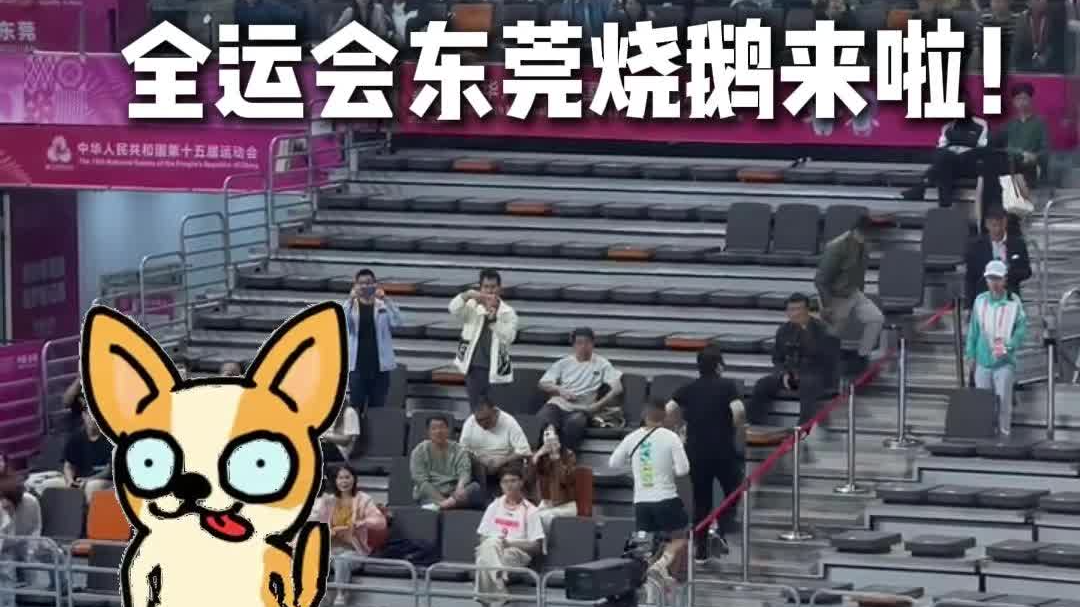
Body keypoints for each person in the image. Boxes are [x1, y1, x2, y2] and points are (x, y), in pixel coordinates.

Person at [663, 346, 740, 564]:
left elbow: (668, 409)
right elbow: (739, 411)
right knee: (734, 491)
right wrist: (734, 429)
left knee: (701, 500)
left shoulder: (688, 388)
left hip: (696, 451)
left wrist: (677, 429)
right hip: (723, 449)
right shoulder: (728, 386)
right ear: (719, 366)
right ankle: (720, 527)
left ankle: (701, 550)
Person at [609, 399, 690, 585]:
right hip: (666, 498)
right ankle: (662, 564)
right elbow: (683, 470)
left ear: (644, 415)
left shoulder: (631, 437)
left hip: (641, 502)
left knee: (647, 547)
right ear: (664, 416)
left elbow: (613, 463)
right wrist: (668, 468)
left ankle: (651, 588)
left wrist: (637, 467)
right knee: (679, 538)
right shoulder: (671, 437)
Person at [814, 215, 884, 376]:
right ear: (857, 231)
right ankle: (828, 372)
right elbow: (821, 280)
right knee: (832, 336)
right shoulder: (837, 247)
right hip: (835, 295)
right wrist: (827, 306)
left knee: (876, 318)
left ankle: (862, 357)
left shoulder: (864, 246)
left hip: (854, 292)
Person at [965, 260, 1028, 437]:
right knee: (982, 402)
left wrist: (1010, 346)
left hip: (1004, 361)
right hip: (983, 360)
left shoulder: (1014, 301)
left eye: (997, 278)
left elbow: (1021, 328)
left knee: (1003, 402)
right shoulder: (980, 300)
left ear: (1004, 279)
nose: (994, 283)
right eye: (990, 278)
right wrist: (970, 354)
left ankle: (1003, 434)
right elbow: (973, 330)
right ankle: (983, 434)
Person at [750, 294, 834, 425]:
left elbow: (828, 361)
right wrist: (783, 374)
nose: (795, 313)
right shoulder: (783, 330)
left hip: (815, 375)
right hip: (789, 375)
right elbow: (777, 359)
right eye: (791, 309)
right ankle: (753, 423)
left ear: (807, 310)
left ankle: (804, 426)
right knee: (763, 384)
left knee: (808, 384)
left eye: (798, 309)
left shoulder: (822, 330)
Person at [537, 327, 625, 452]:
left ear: (593, 344)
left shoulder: (602, 364)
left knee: (575, 423)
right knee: (544, 416)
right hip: (559, 404)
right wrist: (560, 390)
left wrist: (597, 405)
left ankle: (566, 454)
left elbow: (617, 388)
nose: (583, 346)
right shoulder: (563, 363)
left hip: (582, 408)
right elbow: (543, 383)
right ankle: (549, 444)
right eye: (579, 343)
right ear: (573, 345)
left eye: (587, 342)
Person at [311, 465, 387, 606]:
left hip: (354, 551)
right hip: (331, 549)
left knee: (342, 560)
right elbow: (316, 525)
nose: (344, 481)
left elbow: (380, 522)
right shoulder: (329, 501)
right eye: (340, 478)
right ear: (335, 481)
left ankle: (341, 594)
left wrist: (362, 523)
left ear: (354, 479)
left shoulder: (363, 499)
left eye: (347, 477)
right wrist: (329, 531)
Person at [474, 465, 544, 607]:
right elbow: (482, 537)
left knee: (483, 561)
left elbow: (536, 546)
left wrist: (509, 543)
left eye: (513, 481)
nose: (509, 485)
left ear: (521, 482)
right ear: (501, 485)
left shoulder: (531, 510)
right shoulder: (494, 506)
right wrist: (498, 543)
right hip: (492, 548)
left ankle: (492, 596)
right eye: (505, 482)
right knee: (490, 547)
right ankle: (500, 589)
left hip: (516, 552)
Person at [450, 269, 519, 410]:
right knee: (476, 411)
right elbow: (453, 309)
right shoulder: (472, 305)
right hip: (473, 367)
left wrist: (494, 321)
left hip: (496, 370)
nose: (489, 291)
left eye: (493, 287)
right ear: (480, 288)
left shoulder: (508, 312)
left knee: (496, 412)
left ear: (499, 288)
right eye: (486, 287)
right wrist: (467, 295)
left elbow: (510, 337)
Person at [901, 105, 990, 208]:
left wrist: (961, 152)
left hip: (969, 162)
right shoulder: (948, 126)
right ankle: (944, 204)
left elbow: (982, 147)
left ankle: (922, 188)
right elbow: (941, 146)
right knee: (944, 162)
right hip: (950, 162)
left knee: (943, 164)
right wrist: (951, 154)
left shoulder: (981, 124)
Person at [343, 269, 403, 412]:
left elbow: (398, 321)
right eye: (362, 283)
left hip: (379, 366)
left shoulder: (382, 305)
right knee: (355, 407)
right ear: (355, 285)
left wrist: (386, 299)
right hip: (357, 366)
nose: (365, 286)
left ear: (375, 284)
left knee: (377, 407)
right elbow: (342, 323)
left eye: (369, 283)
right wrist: (349, 300)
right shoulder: (351, 305)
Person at [410, 415, 485, 510]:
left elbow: (464, 472)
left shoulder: (459, 449)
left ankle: (442, 507)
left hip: (454, 493)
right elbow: (421, 481)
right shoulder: (419, 451)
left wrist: (460, 488)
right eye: (434, 428)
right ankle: (449, 505)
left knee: (475, 487)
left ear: (448, 430)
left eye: (442, 427)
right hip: (431, 495)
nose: (438, 431)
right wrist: (443, 500)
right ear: (428, 432)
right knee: (427, 497)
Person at [460, 399, 532, 498]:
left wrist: (501, 461)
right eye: (479, 421)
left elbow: (525, 451)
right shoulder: (470, 422)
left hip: (504, 460)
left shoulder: (508, 421)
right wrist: (480, 459)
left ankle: (510, 498)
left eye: (486, 419)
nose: (483, 424)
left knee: (514, 465)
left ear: (495, 412)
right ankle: (483, 498)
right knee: (472, 464)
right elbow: (462, 449)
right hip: (479, 461)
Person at [40, 405, 112, 502]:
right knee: (47, 485)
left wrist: (88, 479)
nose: (92, 419)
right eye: (89, 414)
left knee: (91, 486)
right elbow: (69, 465)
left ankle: (89, 512)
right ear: (84, 415)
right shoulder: (76, 437)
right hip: (78, 480)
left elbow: (109, 471)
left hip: (104, 481)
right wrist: (70, 481)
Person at [964, 208, 1033, 309]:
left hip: (1010, 299)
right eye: (994, 225)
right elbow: (970, 277)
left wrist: (1009, 272)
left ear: (1005, 222)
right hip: (984, 300)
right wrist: (969, 306)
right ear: (987, 224)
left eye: (1000, 225)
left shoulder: (1018, 244)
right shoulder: (976, 246)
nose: (997, 229)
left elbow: (1027, 272)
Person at [0, 474, 42, 607]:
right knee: (6, 571)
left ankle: (62, 586)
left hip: (25, 540)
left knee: (54, 552)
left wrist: (32, 549)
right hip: (4, 546)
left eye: (7, 502)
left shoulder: (31, 502)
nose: (3, 504)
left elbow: (36, 526)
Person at [529, 424, 578, 532]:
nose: (549, 437)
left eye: (553, 433)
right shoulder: (539, 457)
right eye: (546, 434)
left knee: (543, 517)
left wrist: (556, 458)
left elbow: (566, 480)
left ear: (558, 437)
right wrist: (537, 455)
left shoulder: (568, 455)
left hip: (566, 506)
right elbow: (527, 479)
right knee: (529, 517)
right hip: (545, 504)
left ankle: (545, 543)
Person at [1002, 83, 1049, 188]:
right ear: (1013, 102)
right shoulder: (1009, 124)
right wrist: (1022, 153)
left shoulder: (1040, 123)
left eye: (1025, 98)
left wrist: (1035, 156)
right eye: (1018, 99)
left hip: (1030, 164)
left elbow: (1045, 150)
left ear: (1031, 100)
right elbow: (1005, 148)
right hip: (1011, 164)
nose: (1021, 102)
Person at [1010, 0, 1064, 72]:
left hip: (1051, 67)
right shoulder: (1022, 19)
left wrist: (1045, 56)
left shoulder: (1055, 17)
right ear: (1029, 3)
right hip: (1025, 66)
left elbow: (1057, 44)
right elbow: (1017, 46)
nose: (1042, 1)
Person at [321, 400, 361, 464]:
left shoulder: (349, 412)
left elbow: (346, 441)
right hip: (326, 446)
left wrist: (324, 436)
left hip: (339, 451)